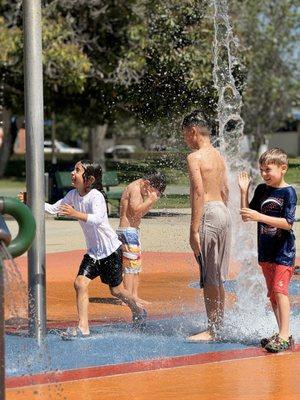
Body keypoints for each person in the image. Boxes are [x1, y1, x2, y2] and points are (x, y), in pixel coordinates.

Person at [20, 160, 147, 339]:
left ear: (89, 179)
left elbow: (98, 219)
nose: (73, 173)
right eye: (73, 169)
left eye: (77, 170)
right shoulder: (72, 195)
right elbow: (53, 209)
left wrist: (75, 214)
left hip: (111, 251)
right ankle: (83, 327)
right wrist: (30, 201)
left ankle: (138, 310)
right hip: (93, 253)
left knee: (116, 291)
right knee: (80, 283)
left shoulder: (96, 196)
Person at [238, 148, 297, 353]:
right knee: (273, 294)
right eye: (262, 170)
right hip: (266, 251)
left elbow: (288, 223)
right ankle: (283, 334)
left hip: (283, 251)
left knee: (281, 291)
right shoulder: (262, 190)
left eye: (268, 170)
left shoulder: (288, 192)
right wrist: (244, 190)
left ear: (283, 168)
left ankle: (284, 335)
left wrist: (260, 217)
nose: (264, 174)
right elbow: (247, 215)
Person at [182, 110, 232, 341]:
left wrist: (193, 230)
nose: (185, 140)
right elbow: (225, 190)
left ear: (193, 131)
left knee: (209, 275)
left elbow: (199, 192)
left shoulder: (195, 158)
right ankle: (219, 325)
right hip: (223, 211)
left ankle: (212, 330)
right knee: (218, 274)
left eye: (185, 135)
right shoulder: (219, 156)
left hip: (209, 213)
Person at [116, 172, 166, 305]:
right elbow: (135, 211)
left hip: (133, 232)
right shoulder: (135, 188)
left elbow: (139, 214)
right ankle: (128, 298)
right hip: (127, 232)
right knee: (129, 266)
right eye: (155, 192)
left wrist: (149, 202)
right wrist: (150, 201)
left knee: (136, 266)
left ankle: (134, 296)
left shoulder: (140, 188)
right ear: (148, 184)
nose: (151, 195)